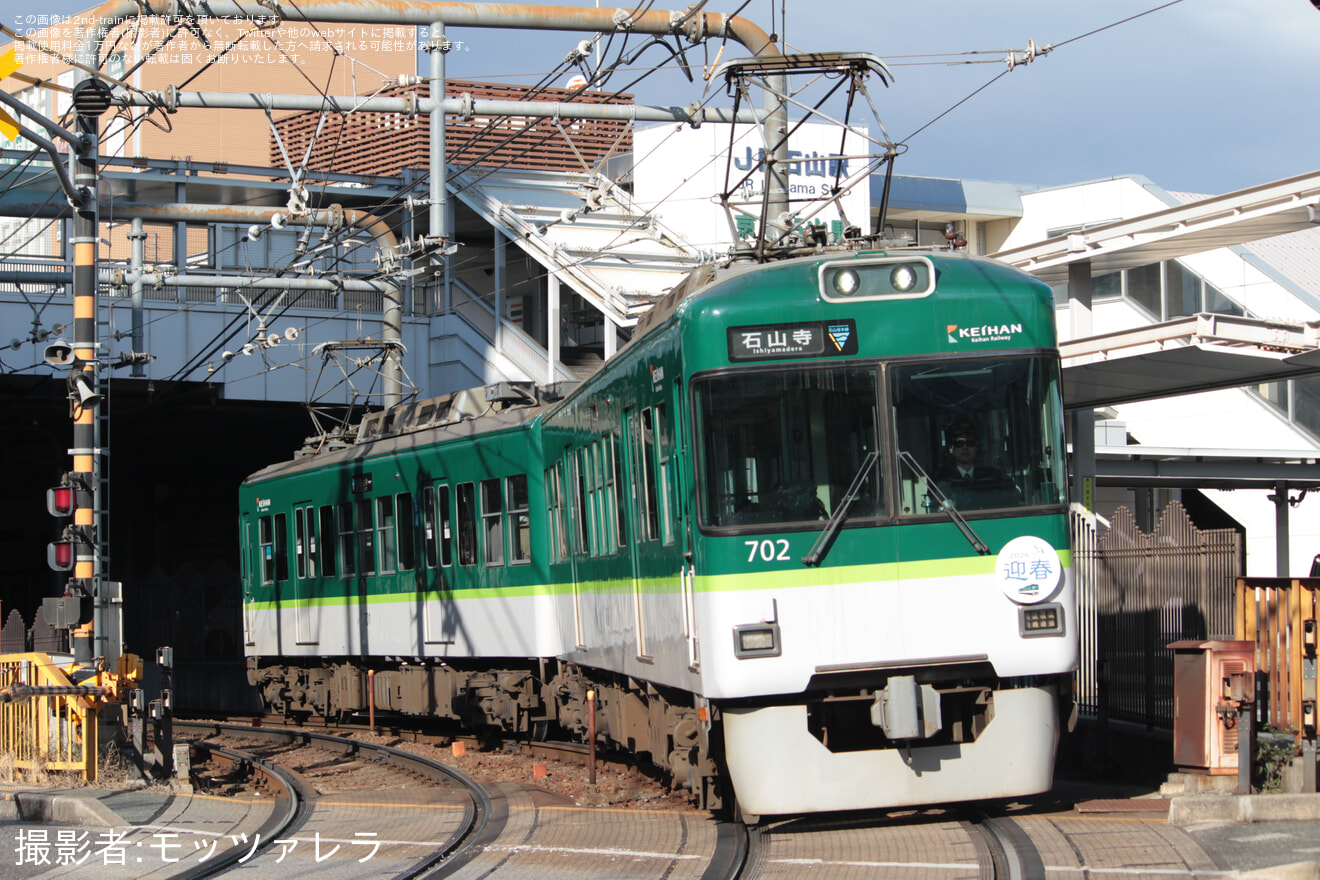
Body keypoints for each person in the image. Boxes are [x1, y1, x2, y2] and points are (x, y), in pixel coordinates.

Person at [933, 420, 1018, 509]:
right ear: (951, 448)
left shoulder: (993, 475)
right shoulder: (942, 478)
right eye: (959, 444)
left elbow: (1011, 497)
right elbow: (938, 507)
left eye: (970, 443)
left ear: (976, 447)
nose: (965, 448)